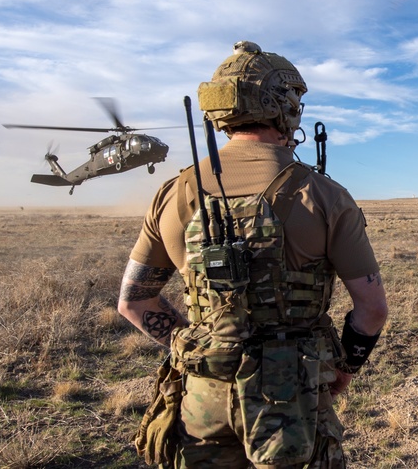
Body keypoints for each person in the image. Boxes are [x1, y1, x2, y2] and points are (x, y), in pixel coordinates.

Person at [118, 40, 388, 468]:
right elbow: (371, 308)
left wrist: (196, 346)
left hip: (200, 395)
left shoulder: (174, 192)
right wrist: (344, 370)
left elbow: (133, 301)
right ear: (285, 107)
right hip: (293, 399)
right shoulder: (324, 195)